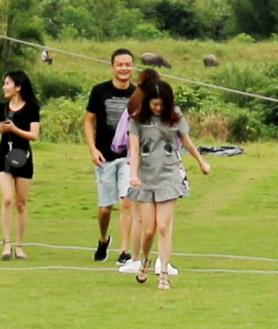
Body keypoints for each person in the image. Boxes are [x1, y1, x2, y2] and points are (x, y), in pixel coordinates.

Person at [120, 67, 211, 287]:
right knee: (148, 229)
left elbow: (186, 141)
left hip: (169, 175)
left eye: (162, 105)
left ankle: (163, 275)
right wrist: (133, 175)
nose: (158, 108)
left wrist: (201, 162)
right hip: (145, 177)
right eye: (154, 104)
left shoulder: (175, 118)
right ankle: (144, 261)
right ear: (148, 102)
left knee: (163, 226)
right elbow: (133, 150)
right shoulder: (137, 121)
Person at [84, 47, 140, 269]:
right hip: (104, 156)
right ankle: (103, 239)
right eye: (120, 64)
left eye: (128, 64)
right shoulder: (99, 91)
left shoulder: (138, 94)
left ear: (132, 67)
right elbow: (89, 120)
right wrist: (92, 149)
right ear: (112, 67)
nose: (124, 68)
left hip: (128, 156)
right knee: (106, 207)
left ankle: (124, 251)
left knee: (127, 202)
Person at [0, 68, 42, 259]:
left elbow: (34, 135)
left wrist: (14, 128)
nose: (4, 87)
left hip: (24, 158)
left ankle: (19, 245)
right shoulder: (0, 108)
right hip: (4, 158)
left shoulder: (31, 108)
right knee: (7, 199)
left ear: (18, 87)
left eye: (7, 83)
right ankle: (6, 244)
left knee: (21, 204)